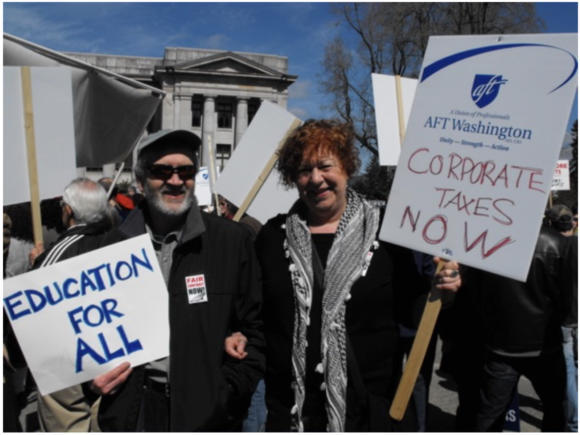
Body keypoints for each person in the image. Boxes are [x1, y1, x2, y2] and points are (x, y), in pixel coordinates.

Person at [226, 119, 461, 432]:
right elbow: (255, 312)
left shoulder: (389, 236)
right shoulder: (271, 236)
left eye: (325, 166)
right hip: (292, 412)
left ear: (347, 167)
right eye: (303, 170)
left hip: (368, 411)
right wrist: (240, 333)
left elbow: (413, 316)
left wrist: (443, 295)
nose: (315, 179)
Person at [90, 129, 264, 432]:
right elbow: (89, 333)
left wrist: (229, 390)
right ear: (142, 182)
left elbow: (258, 326)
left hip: (208, 415)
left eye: (185, 170)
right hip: (135, 412)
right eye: (162, 171)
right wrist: (91, 378)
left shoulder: (232, 241)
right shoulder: (110, 247)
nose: (175, 180)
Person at [468, 214, 572, 431]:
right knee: (555, 410)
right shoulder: (557, 243)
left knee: (489, 415)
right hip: (544, 346)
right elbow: (567, 297)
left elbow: (475, 295)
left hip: (501, 346)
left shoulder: (483, 239)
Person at [31, 178, 110, 432]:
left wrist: (38, 266)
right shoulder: (119, 243)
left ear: (68, 211)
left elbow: (32, 317)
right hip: (110, 359)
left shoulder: (54, 256)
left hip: (66, 366)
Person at [546, 204, 578, 432]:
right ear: (572, 223)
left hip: (564, 318)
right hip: (572, 316)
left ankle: (574, 419)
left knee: (567, 368)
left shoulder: (551, 247)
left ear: (550, 224)